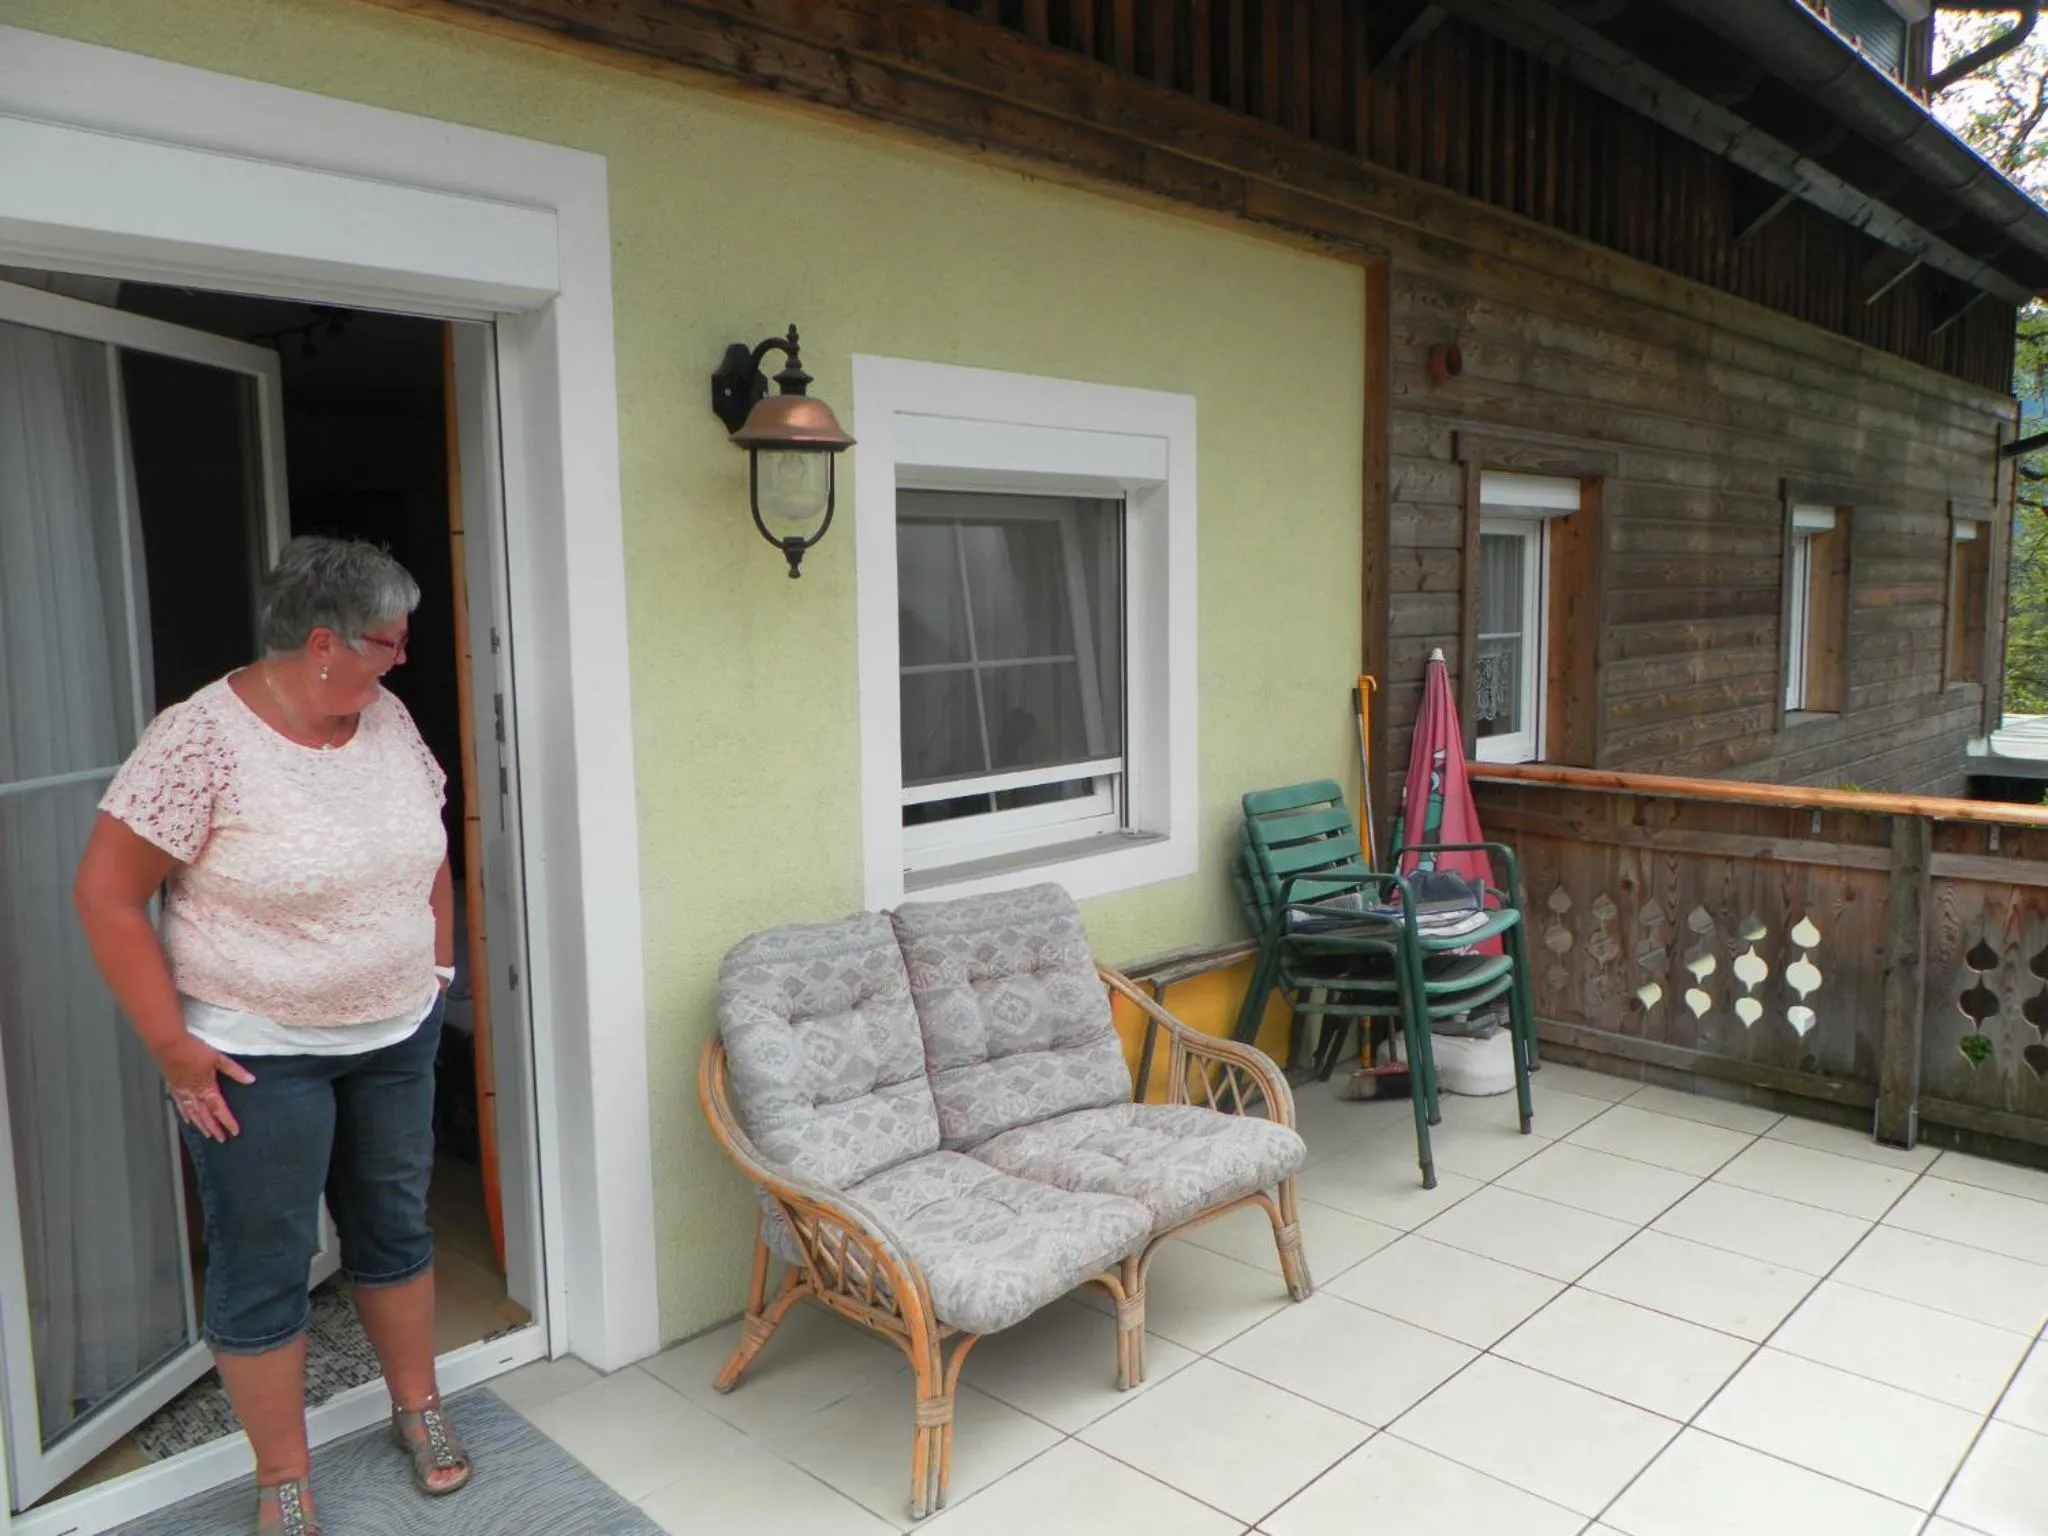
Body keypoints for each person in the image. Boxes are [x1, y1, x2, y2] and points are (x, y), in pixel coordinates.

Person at [74, 536, 471, 1535]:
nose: (402, 658)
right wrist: (172, 1044)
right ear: (326, 644)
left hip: (396, 1034)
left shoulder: (385, 720)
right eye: (392, 640)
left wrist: (435, 968)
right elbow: (108, 897)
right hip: (256, 1054)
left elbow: (428, 839)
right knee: (266, 1257)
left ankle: (417, 1407)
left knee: (395, 1228)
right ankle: (282, 1474)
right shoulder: (198, 741)